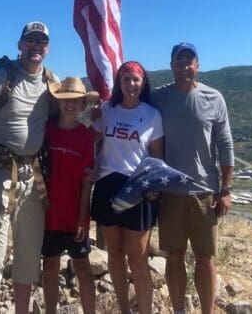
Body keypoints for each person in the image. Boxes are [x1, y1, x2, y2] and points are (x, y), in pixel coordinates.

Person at [0, 21, 56, 314]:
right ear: (20, 45)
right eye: (30, 40)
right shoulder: (5, 76)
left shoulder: (50, 83)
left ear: (47, 48)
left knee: (28, 259)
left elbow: (68, 113)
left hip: (32, 179)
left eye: (41, 41)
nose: (36, 45)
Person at [151, 42, 234, 314]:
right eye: (179, 61)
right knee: (173, 256)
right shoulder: (158, 98)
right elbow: (133, 114)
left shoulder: (214, 98)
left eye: (189, 61)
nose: (184, 67)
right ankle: (178, 310)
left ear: (197, 65)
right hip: (171, 192)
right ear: (172, 66)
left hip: (204, 192)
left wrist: (226, 189)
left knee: (206, 257)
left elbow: (225, 144)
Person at [90, 61, 164, 314]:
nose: (131, 84)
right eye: (126, 79)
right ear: (119, 83)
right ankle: (123, 309)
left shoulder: (152, 114)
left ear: (143, 83)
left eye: (135, 79)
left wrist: (154, 187)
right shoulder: (108, 110)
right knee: (114, 254)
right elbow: (89, 139)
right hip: (108, 186)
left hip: (138, 189)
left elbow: (157, 158)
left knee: (138, 260)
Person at [42, 77, 99, 314]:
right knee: (50, 264)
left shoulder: (85, 136)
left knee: (82, 267)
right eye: (65, 100)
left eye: (75, 101)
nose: (70, 104)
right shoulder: (46, 130)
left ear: (83, 105)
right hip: (47, 212)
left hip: (74, 212)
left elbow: (87, 181)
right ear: (58, 102)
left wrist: (82, 219)